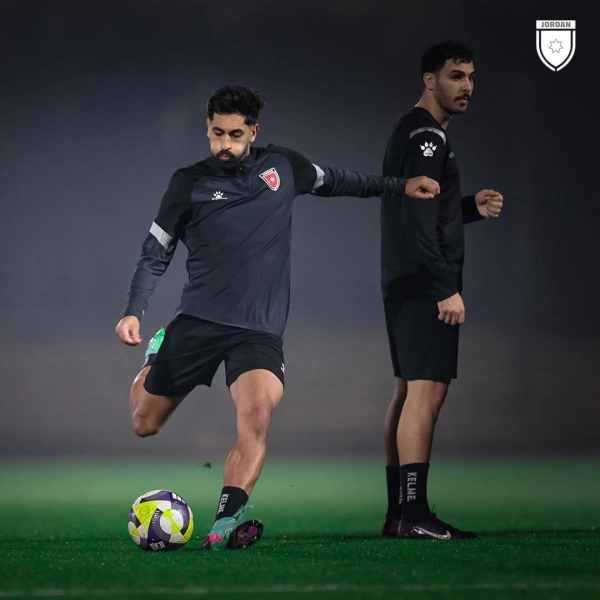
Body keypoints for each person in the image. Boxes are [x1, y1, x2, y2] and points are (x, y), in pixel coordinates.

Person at [115, 84, 440, 551]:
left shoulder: (283, 167)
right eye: (216, 133)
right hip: (199, 322)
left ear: (253, 132)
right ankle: (155, 355)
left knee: (258, 418)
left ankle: (225, 523)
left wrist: (400, 186)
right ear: (207, 129)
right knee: (144, 423)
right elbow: (154, 254)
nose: (224, 144)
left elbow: (341, 181)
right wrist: (134, 312)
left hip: (258, 331)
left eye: (234, 135)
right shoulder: (188, 183)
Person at [380, 42, 504, 540]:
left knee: (408, 391)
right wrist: (443, 287)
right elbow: (417, 220)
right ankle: (414, 515)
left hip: (403, 280)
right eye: (456, 76)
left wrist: (469, 207)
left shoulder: (410, 130)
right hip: (423, 283)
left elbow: (422, 209)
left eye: (471, 77)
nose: (467, 86)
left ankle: (399, 515)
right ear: (429, 80)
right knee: (426, 392)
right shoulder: (428, 136)